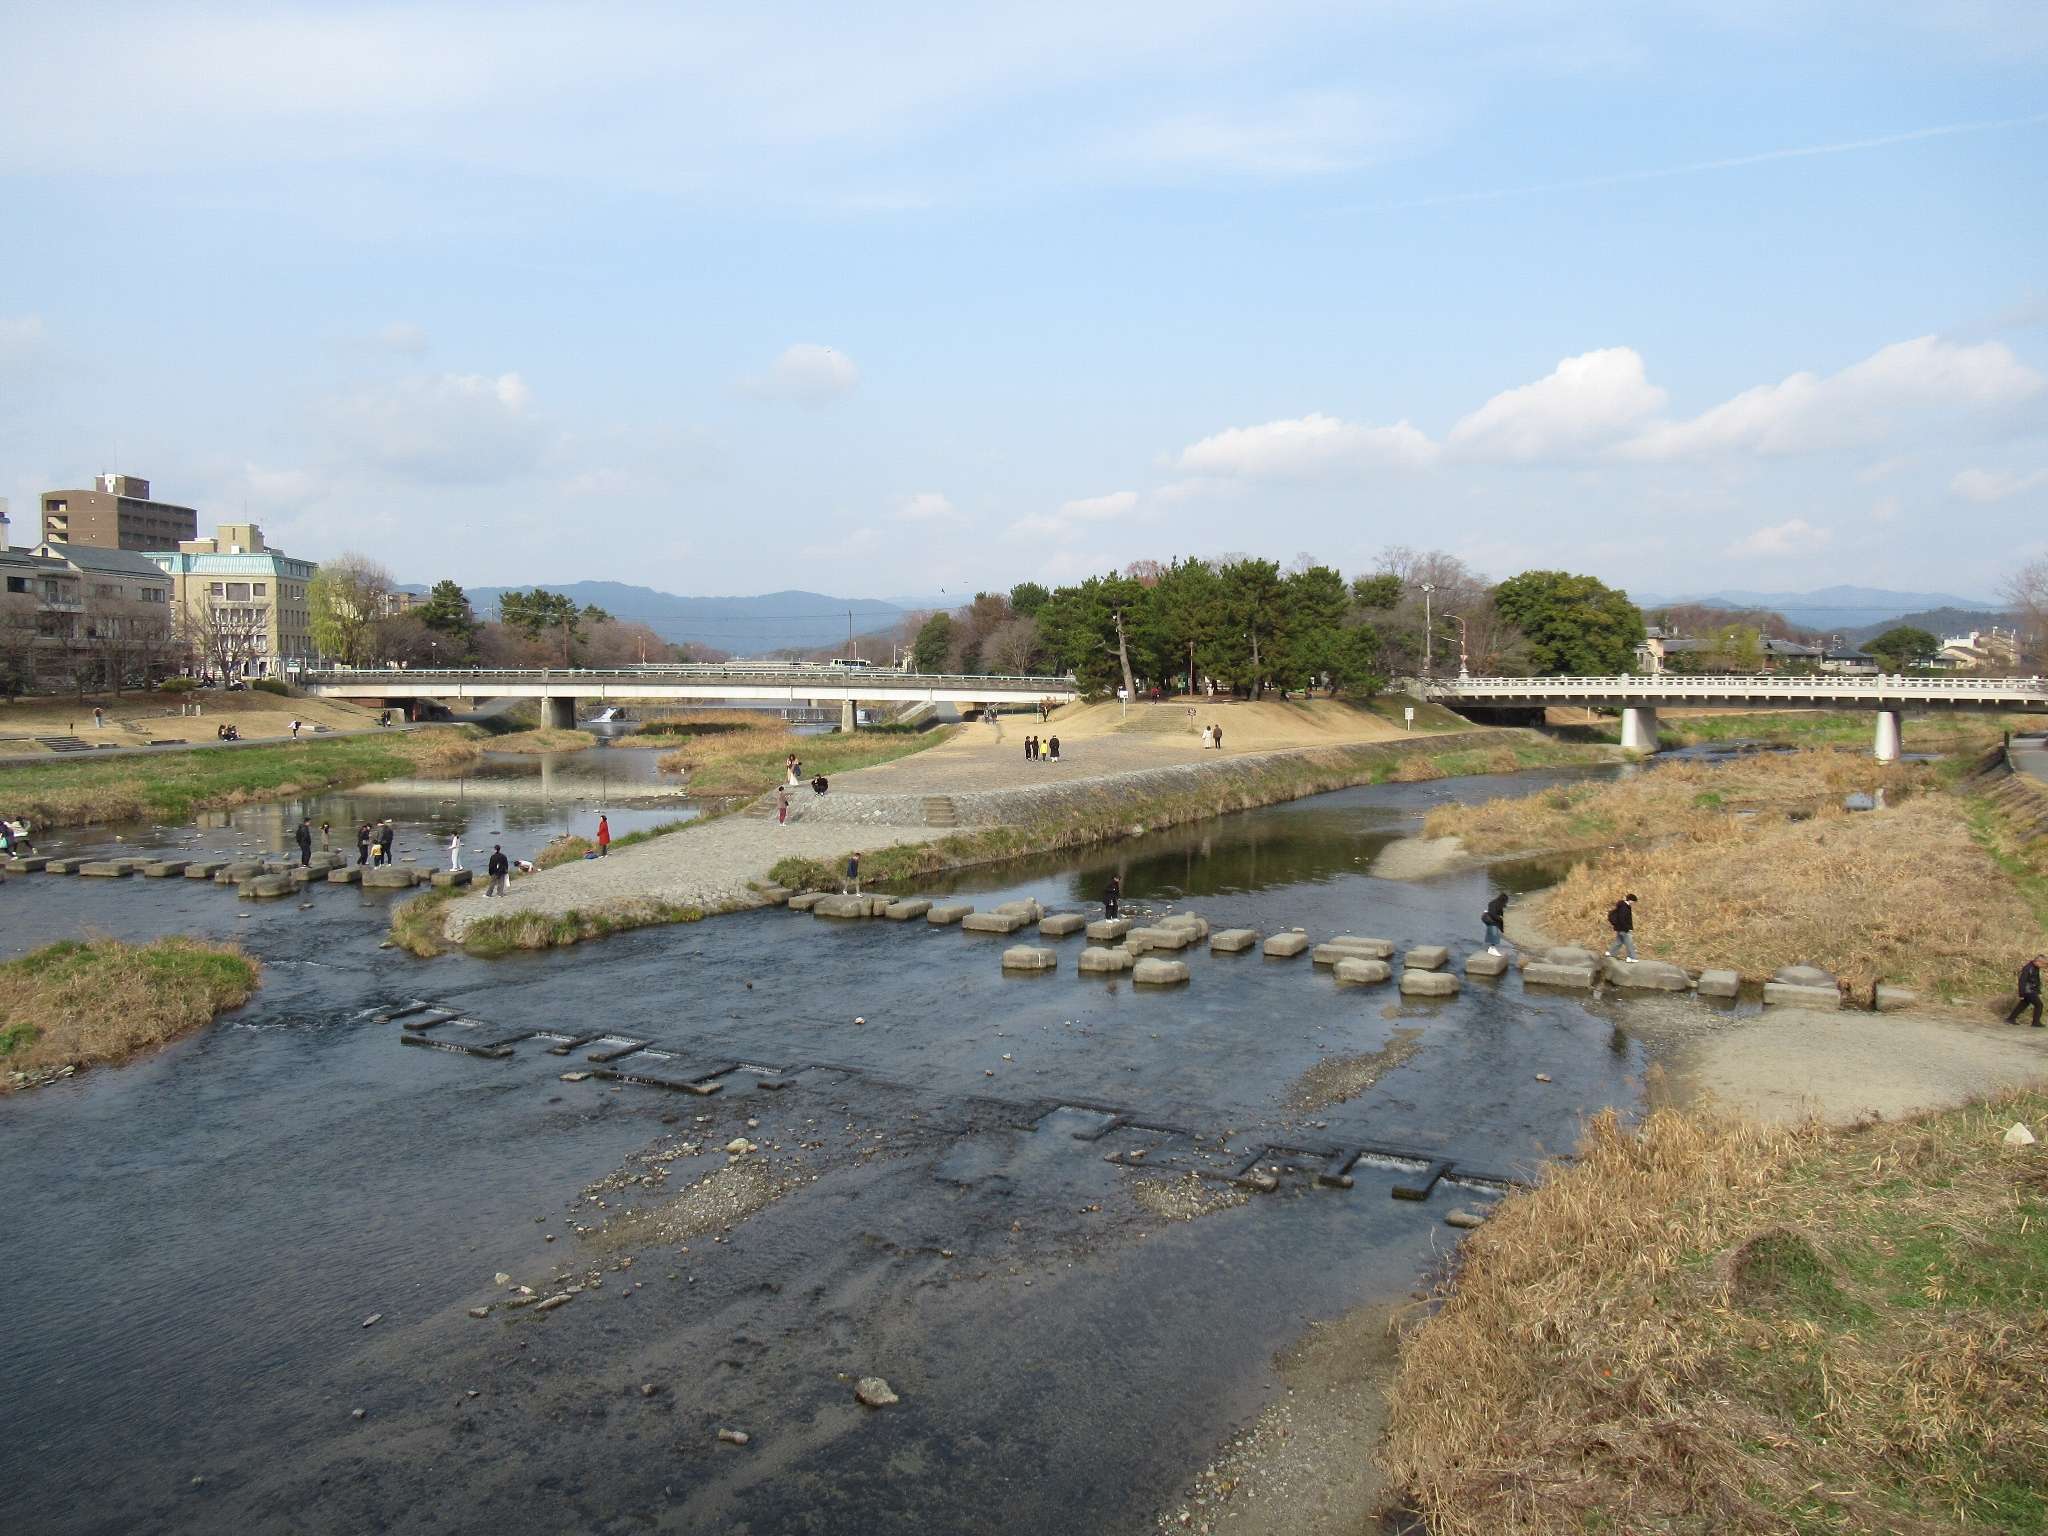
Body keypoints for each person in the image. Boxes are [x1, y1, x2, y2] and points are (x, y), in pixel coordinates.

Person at [2008, 953, 2044, 1027]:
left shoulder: (2035, 968)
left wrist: (2038, 990)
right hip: (2028, 991)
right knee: (2039, 1005)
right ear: (2038, 961)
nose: (2043, 966)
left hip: (2031, 990)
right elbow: (2022, 981)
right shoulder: (2028, 968)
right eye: (2042, 964)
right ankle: (2035, 1022)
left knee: (2023, 1005)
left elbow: (2036, 980)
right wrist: (2021, 993)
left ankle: (2010, 1019)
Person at [1606, 893, 1638, 962]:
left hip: (1619, 928)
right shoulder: (1625, 907)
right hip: (1624, 929)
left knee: (1619, 942)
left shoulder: (1622, 905)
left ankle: (1610, 953)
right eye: (1633, 901)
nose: (1633, 903)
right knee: (1629, 943)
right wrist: (1627, 928)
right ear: (1630, 900)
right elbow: (1622, 919)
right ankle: (1631, 957)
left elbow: (1621, 918)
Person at [1482, 891, 1509, 955]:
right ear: (1503, 900)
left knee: (1494, 931)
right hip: (1487, 918)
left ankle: (1490, 947)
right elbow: (1493, 914)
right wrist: (1500, 919)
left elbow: (1501, 917)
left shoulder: (1500, 905)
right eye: (1506, 901)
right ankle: (1491, 948)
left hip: (1490, 919)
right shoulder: (1493, 903)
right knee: (1494, 931)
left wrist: (1502, 929)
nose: (1506, 902)